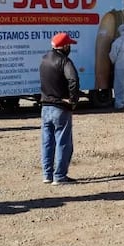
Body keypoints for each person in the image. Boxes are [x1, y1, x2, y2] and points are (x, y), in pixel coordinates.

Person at [39, 32, 80, 185]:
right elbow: (73, 79)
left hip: (45, 106)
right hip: (60, 107)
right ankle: (60, 176)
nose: (70, 47)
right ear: (63, 46)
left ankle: (47, 175)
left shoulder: (44, 59)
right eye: (68, 44)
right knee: (63, 142)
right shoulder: (65, 61)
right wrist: (73, 100)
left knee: (47, 142)